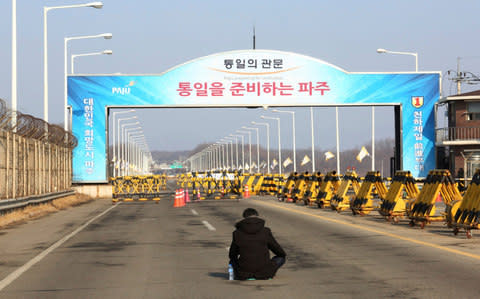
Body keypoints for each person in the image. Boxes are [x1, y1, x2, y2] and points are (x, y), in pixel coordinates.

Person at [228, 208, 286, 280]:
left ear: (244, 218)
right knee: (281, 258)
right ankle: (268, 273)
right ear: (257, 216)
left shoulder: (237, 233)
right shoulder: (266, 231)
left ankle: (235, 274)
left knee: (232, 261)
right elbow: (279, 251)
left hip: (243, 273)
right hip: (265, 272)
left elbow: (232, 254)